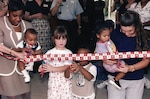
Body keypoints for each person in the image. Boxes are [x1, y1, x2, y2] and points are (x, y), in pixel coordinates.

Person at [104, 10, 149, 99]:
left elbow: (146, 60)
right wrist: (105, 59)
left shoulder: (145, 38)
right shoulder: (115, 34)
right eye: (123, 31)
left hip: (136, 78)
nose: (126, 34)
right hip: (115, 77)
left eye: (130, 31)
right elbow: (104, 49)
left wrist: (130, 68)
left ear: (137, 26)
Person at [0, 0, 33, 98]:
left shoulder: (28, 26)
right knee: (11, 95)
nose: (18, 19)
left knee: (26, 93)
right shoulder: (1, 23)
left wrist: (30, 51)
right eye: (15, 16)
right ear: (8, 12)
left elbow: (33, 45)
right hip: (5, 65)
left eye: (20, 15)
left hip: (22, 66)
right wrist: (16, 53)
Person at [38, 26, 73, 99]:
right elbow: (44, 63)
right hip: (53, 81)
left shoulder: (68, 53)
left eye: (63, 38)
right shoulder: (50, 52)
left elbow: (65, 67)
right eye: (58, 38)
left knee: (66, 96)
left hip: (65, 81)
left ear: (67, 39)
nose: (61, 41)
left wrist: (52, 68)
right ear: (54, 39)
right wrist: (41, 68)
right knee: (53, 96)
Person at [94, 21, 126, 89]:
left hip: (115, 61)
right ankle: (115, 80)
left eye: (108, 35)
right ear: (98, 36)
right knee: (125, 70)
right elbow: (96, 54)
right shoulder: (99, 45)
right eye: (104, 36)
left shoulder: (108, 41)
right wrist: (103, 59)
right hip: (109, 64)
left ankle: (108, 82)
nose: (107, 37)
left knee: (124, 68)